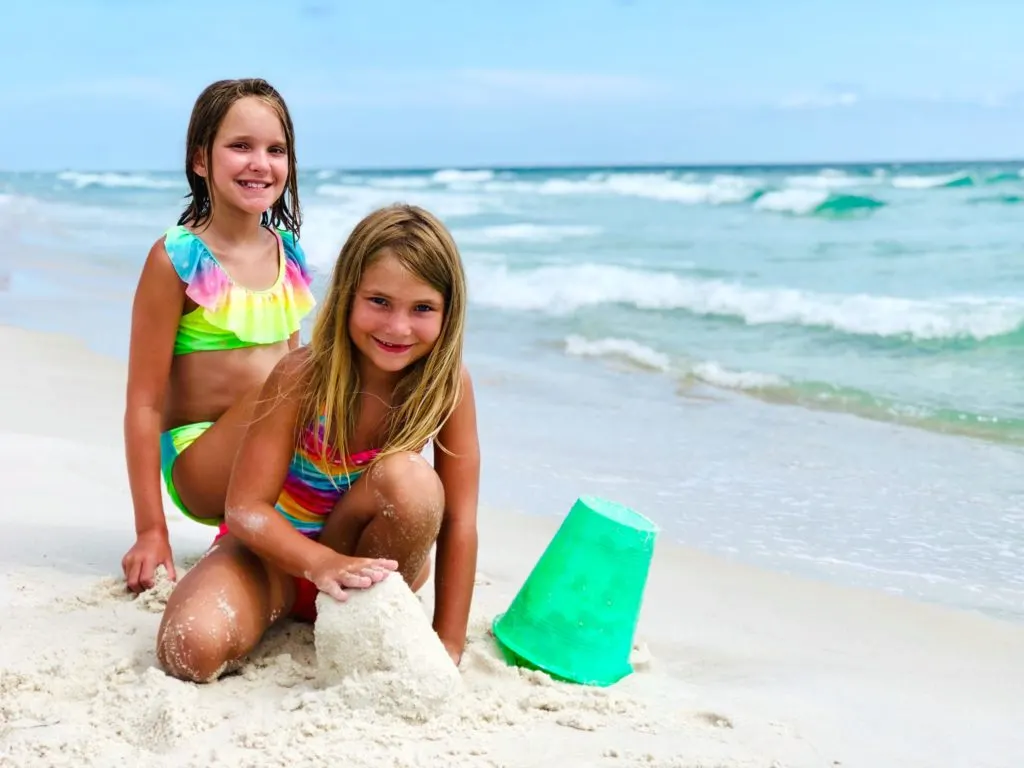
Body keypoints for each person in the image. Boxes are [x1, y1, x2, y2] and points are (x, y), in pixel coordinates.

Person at [155, 203, 480, 684]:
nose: (397, 327)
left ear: (448, 314)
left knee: (412, 483)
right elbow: (245, 508)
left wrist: (447, 644)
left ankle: (355, 624)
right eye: (379, 302)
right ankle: (282, 609)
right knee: (187, 649)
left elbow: (459, 523)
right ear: (348, 295)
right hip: (271, 561)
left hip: (364, 574)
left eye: (423, 309)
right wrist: (319, 564)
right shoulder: (302, 375)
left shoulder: (446, 388)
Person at [121, 78, 315, 594]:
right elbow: (143, 404)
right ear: (201, 160)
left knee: (326, 374)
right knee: (301, 377)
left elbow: (293, 362)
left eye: (276, 150)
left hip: (271, 462)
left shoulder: (287, 252)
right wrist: (151, 531)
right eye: (240, 146)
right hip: (201, 462)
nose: (260, 163)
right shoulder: (176, 261)